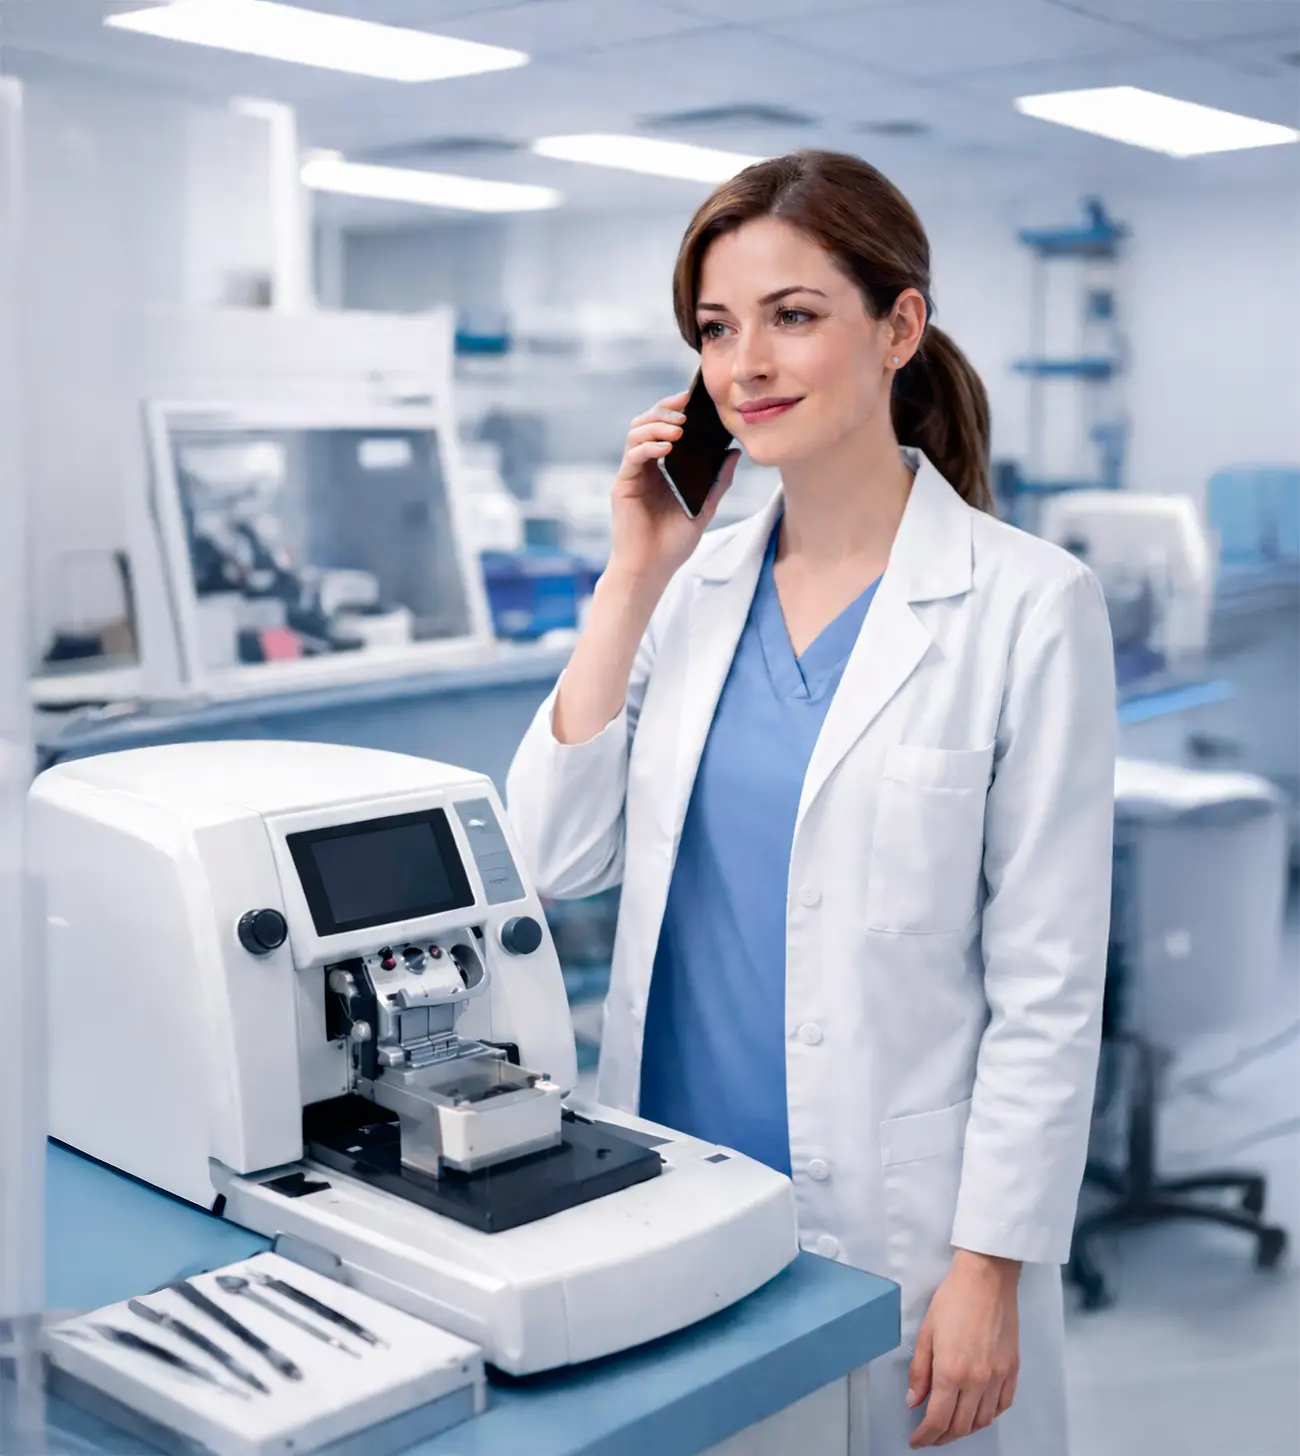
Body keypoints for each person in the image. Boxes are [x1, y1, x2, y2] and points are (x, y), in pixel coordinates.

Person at [506, 150, 1116, 1454]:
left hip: (902, 1232)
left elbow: (1050, 984)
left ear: (899, 328)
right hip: (674, 1204)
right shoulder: (693, 588)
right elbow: (550, 860)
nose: (747, 365)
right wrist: (633, 574)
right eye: (717, 330)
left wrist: (992, 1267)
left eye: (794, 316)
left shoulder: (1027, 605)